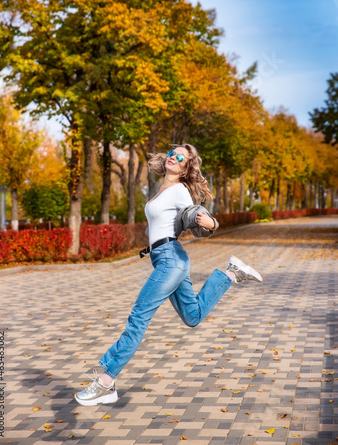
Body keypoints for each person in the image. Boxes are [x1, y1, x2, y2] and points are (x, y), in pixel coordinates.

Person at [74, 144, 262, 406]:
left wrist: (209, 221)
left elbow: (193, 212)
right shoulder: (162, 189)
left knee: (138, 317)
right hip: (168, 259)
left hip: (171, 261)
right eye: (172, 154)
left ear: (186, 168)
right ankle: (231, 273)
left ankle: (106, 381)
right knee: (193, 316)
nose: (174, 157)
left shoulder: (180, 190)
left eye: (181, 157)